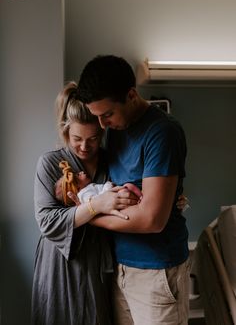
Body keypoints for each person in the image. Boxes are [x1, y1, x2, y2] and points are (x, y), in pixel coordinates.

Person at [74, 55, 190, 325]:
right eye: (97, 116)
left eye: (107, 115)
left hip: (157, 270)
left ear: (131, 95)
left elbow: (151, 220)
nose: (102, 125)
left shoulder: (162, 132)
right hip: (120, 267)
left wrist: (90, 215)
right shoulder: (116, 128)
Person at [31, 82, 139, 325]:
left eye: (93, 139)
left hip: (100, 263)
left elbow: (129, 195)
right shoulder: (49, 164)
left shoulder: (111, 161)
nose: (85, 146)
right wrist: (96, 205)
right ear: (65, 131)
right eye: (77, 138)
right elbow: (47, 222)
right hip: (61, 264)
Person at [55, 160, 143, 207]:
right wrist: (107, 187)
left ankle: (140, 197)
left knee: (128, 186)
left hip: (113, 195)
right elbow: (98, 201)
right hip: (112, 200)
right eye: (79, 175)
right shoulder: (84, 195)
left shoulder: (87, 188)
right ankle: (140, 200)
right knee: (127, 189)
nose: (81, 172)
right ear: (77, 188)